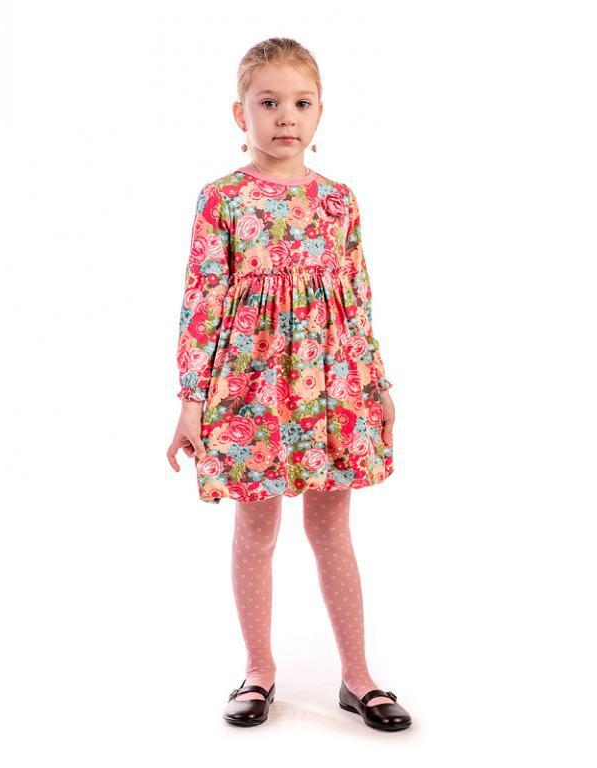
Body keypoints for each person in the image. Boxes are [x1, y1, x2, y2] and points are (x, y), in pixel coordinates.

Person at [166, 37, 411, 732]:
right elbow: (202, 299)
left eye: (301, 103)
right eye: (268, 102)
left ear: (319, 112)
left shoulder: (338, 201)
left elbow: (356, 299)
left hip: (333, 386)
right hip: (251, 390)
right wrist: (190, 400)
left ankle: (358, 677)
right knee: (256, 526)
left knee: (332, 528)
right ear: (239, 114)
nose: (285, 117)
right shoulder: (223, 200)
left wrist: (378, 384)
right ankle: (258, 671)